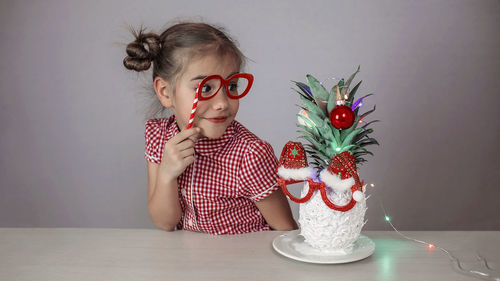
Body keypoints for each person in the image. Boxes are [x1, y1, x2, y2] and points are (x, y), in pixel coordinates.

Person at [123, 22, 298, 234]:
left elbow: (286, 231)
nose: (223, 102)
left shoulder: (250, 155)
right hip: (187, 262)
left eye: (231, 86)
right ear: (165, 92)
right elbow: (165, 222)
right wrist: (167, 175)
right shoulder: (158, 136)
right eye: (206, 87)